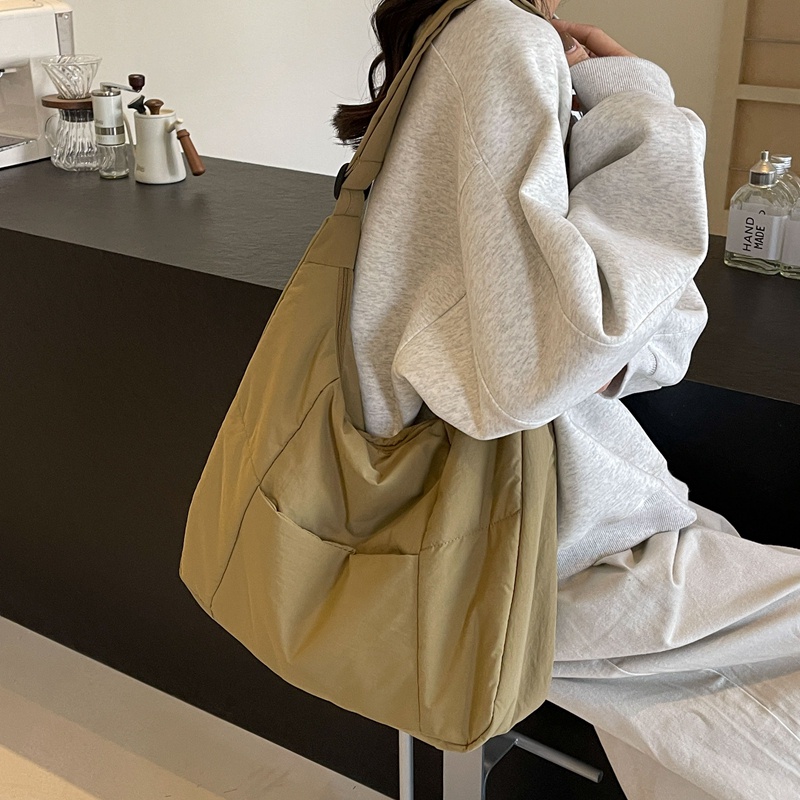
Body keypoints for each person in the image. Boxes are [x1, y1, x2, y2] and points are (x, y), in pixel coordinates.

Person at [331, 0, 800, 797]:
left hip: (503, 536)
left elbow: (644, 348)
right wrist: (639, 105)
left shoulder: (462, 39)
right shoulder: (498, 37)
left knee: (702, 745)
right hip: (544, 553)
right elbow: (559, 357)